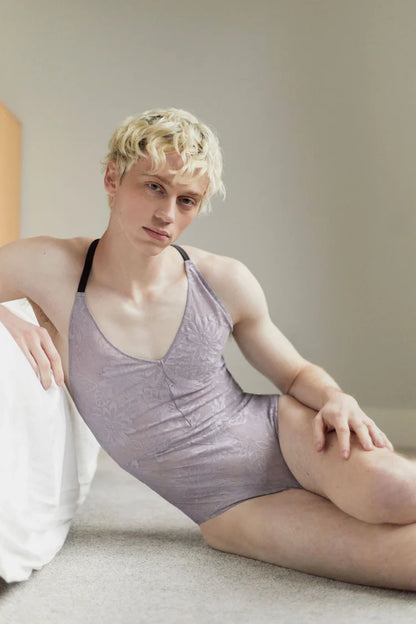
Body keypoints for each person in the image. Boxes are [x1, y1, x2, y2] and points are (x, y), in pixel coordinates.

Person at [1, 107, 415, 592]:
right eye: (154, 187)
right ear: (113, 178)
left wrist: (336, 397)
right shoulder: (51, 266)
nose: (166, 215)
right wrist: (6, 318)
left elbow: (295, 374)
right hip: (229, 509)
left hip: (284, 436)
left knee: (398, 491)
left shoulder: (221, 279)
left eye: (187, 200)